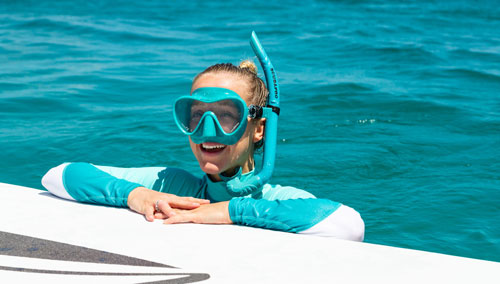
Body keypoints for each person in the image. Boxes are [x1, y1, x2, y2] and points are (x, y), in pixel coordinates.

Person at [41, 36, 364, 241]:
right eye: (196, 115)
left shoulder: (278, 199)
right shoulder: (174, 187)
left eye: (226, 115)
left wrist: (228, 211)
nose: (207, 130)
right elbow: (58, 175)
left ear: (259, 127)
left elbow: (348, 225)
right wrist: (135, 195)